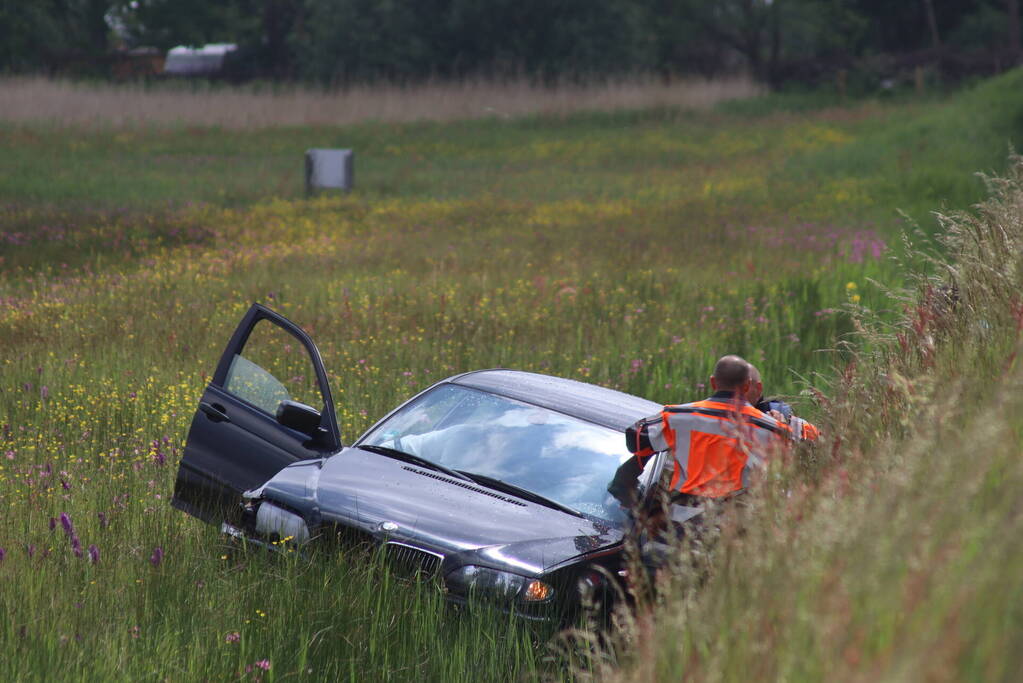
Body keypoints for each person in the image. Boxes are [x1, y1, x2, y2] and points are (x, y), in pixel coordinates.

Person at [608, 355, 790, 510]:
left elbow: (635, 439)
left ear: (712, 382)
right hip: (735, 532)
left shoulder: (677, 416)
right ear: (747, 385)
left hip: (680, 525)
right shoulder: (773, 429)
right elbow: (805, 456)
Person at [747, 364, 819, 442]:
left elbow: (819, 442)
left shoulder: (781, 412)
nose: (734, 393)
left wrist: (783, 430)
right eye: (731, 385)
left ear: (758, 388)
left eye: (745, 387)